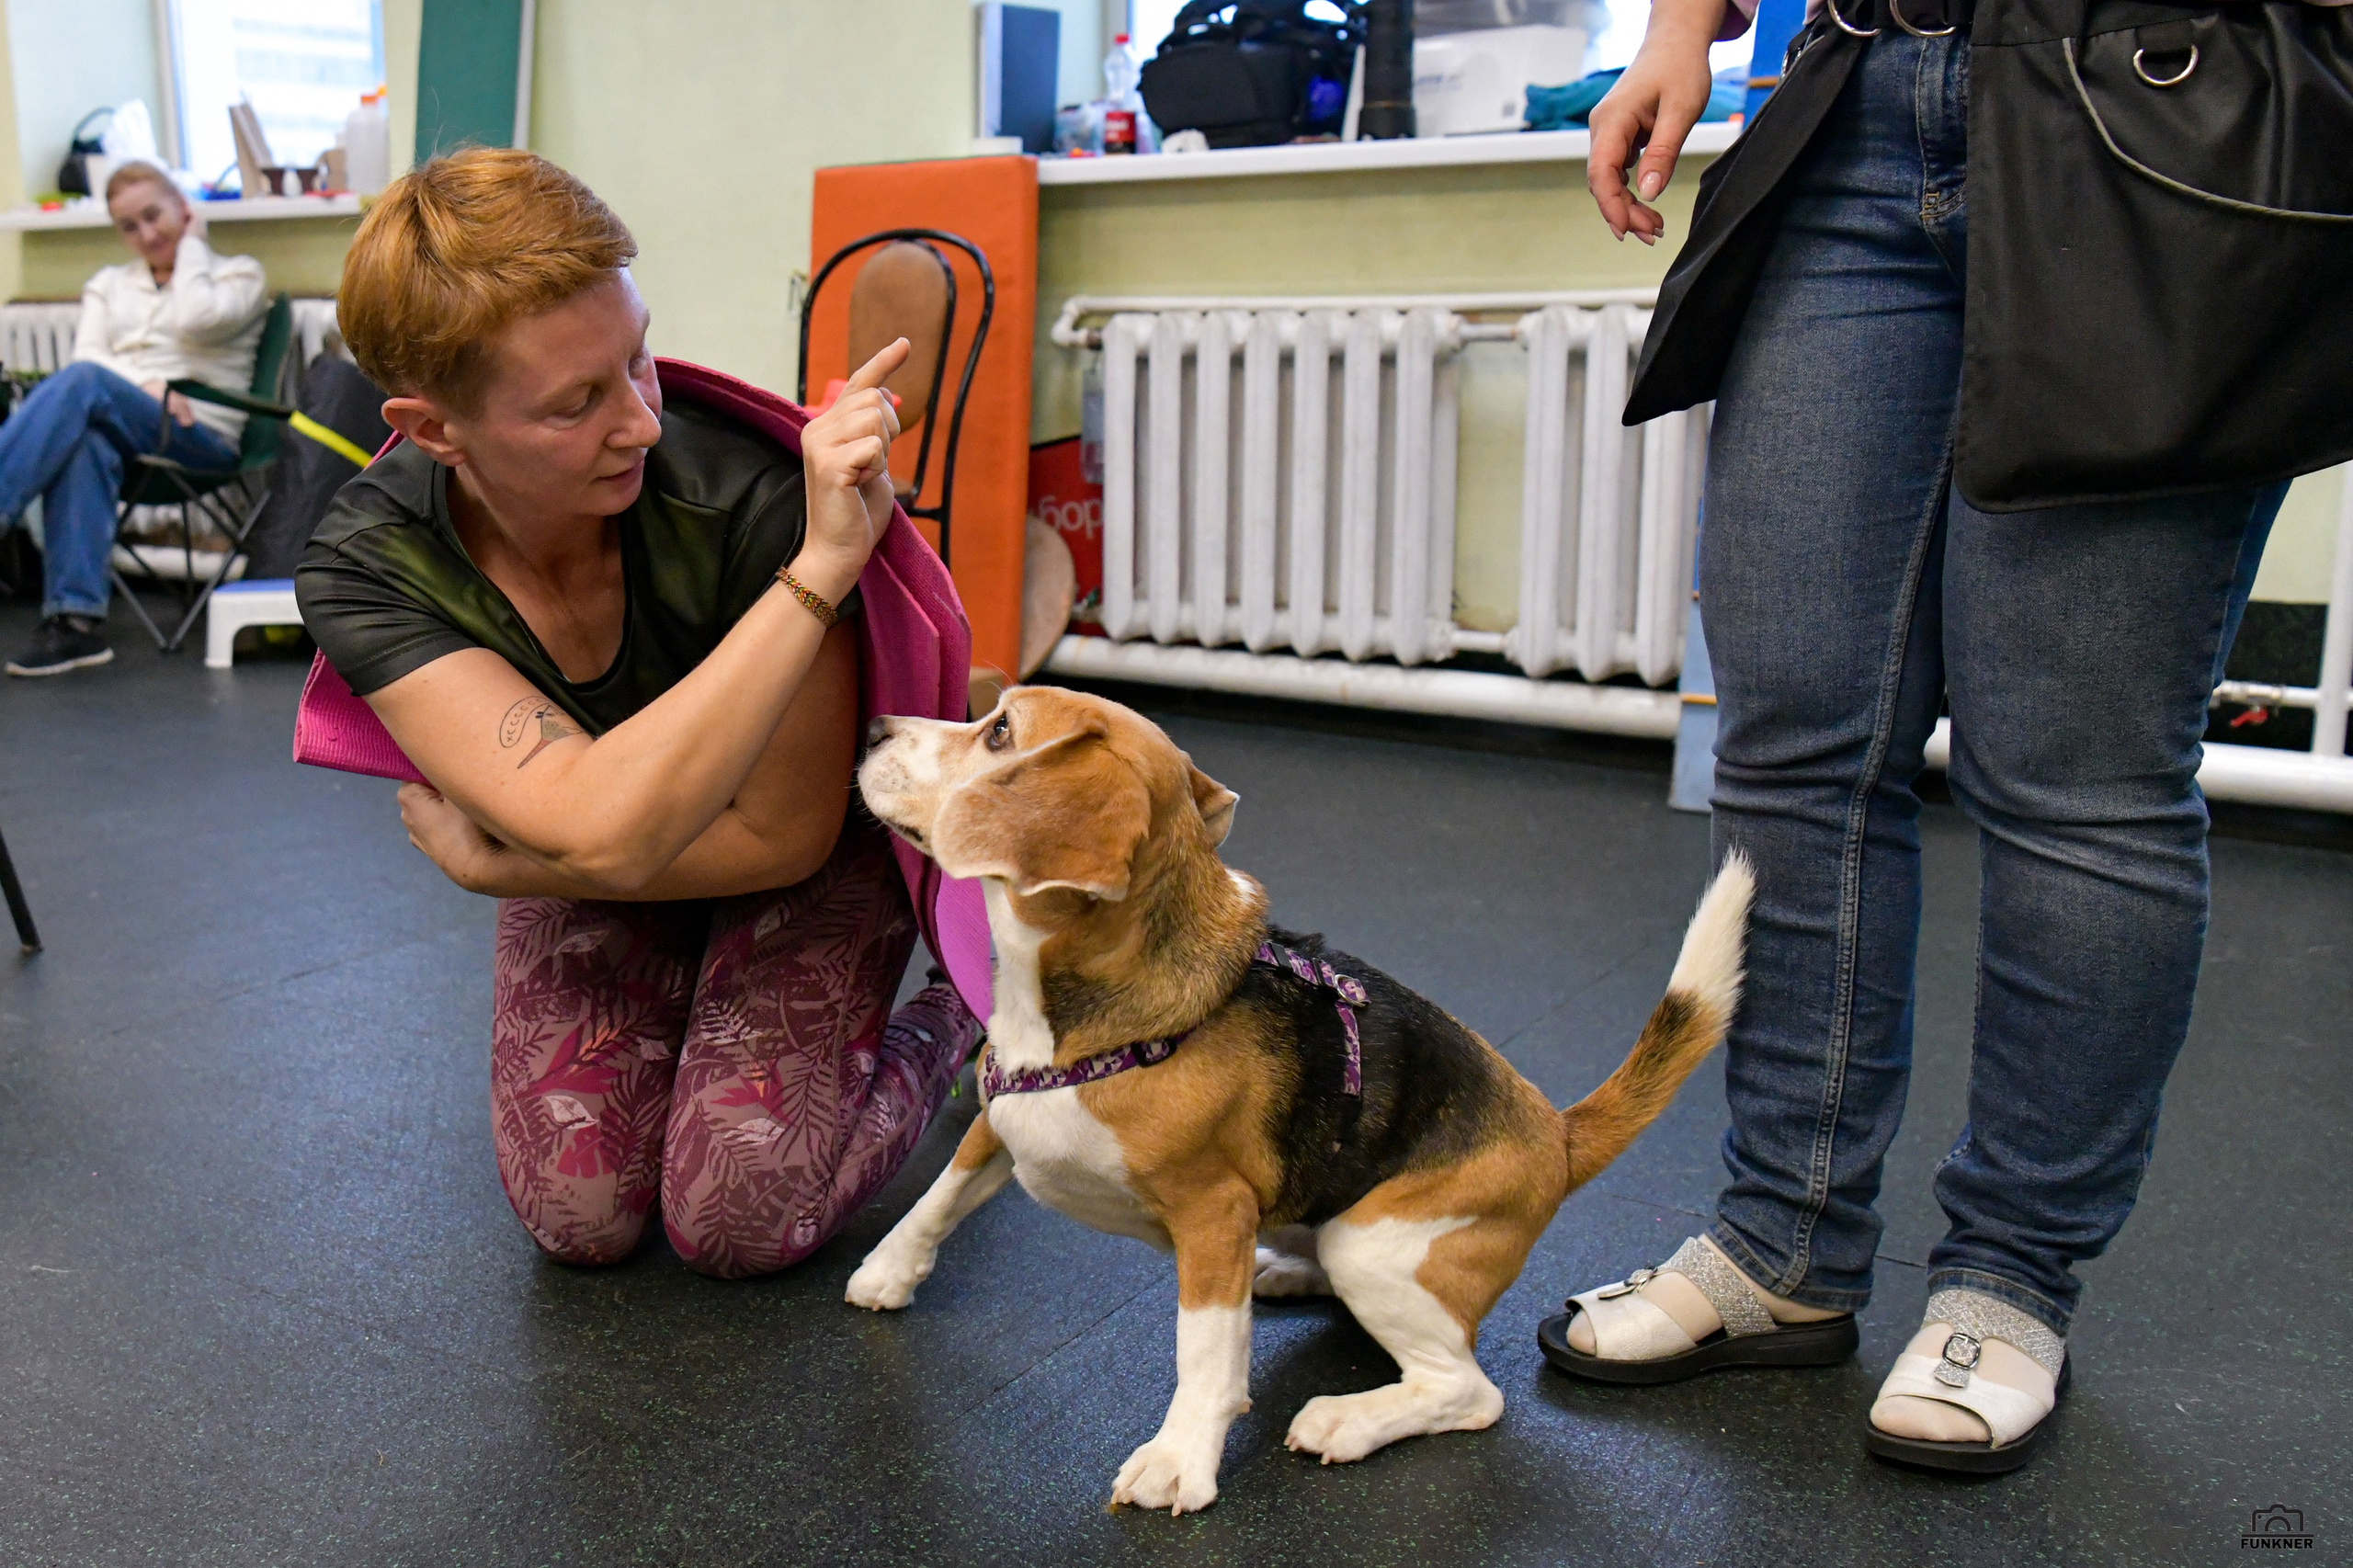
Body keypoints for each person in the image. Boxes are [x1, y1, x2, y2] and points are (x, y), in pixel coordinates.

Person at [1534, 0, 2300, 1472]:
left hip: (2156, 104)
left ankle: (2011, 1278)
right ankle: (1781, 1243)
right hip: (1858, 94)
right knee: (1790, 742)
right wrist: (1678, 32)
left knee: (2078, 777)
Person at [295, 149, 981, 1278]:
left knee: (739, 1215)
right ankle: (698, 1003)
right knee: (581, 1212)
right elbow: (598, 823)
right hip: (615, 843)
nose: (643, 422)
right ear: (433, 432)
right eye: (575, 403)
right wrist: (571, 835)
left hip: (798, 851)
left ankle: (956, 1009)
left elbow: (776, 836)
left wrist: (817, 569)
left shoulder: (757, 493)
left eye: (638, 356)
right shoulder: (370, 559)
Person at [3, 162, 267, 676]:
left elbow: (194, 317)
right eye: (130, 226)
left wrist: (192, 245)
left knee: (83, 384)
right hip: (126, 426)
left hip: (200, 440)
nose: (146, 234)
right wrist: (146, 388)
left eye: (155, 215)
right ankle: (75, 624)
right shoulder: (108, 284)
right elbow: (89, 354)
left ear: (183, 209)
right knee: (86, 440)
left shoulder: (239, 275)